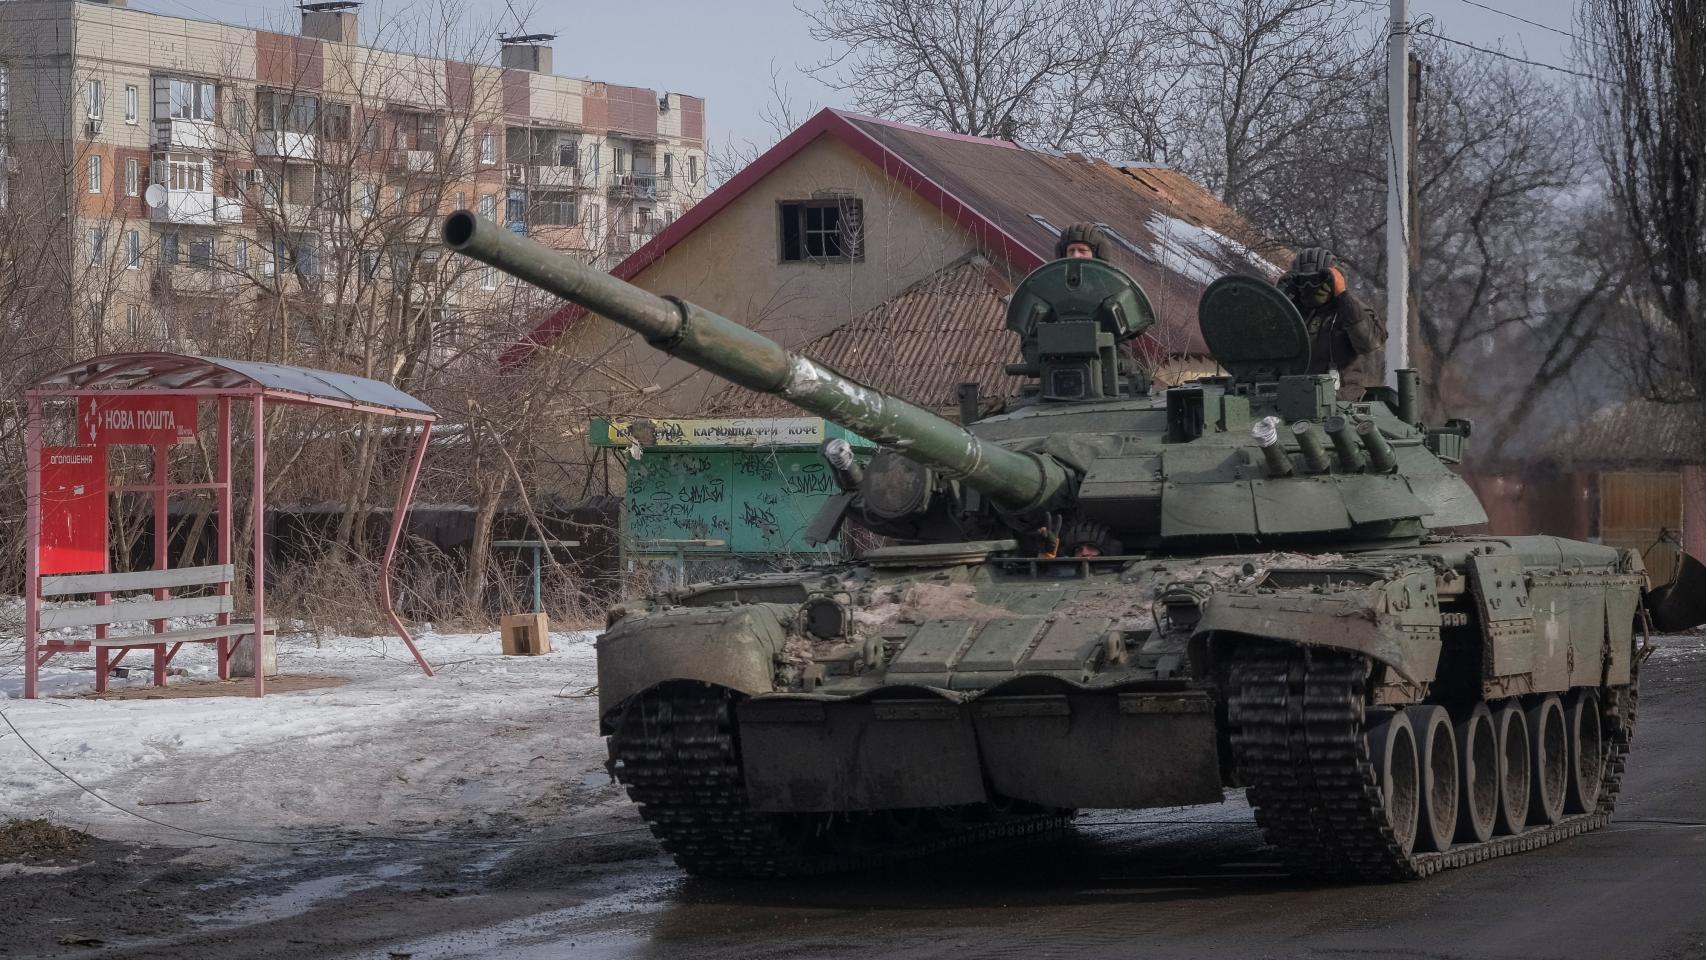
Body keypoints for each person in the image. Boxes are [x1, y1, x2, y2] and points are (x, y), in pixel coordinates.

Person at [1279, 247, 1384, 401]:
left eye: (1317, 279)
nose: (1309, 286)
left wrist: (1342, 295)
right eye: (1303, 281)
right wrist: (1278, 298)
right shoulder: (1290, 314)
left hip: (1341, 402)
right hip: (1294, 400)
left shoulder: (1350, 310)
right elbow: (1260, 345)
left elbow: (1369, 342)